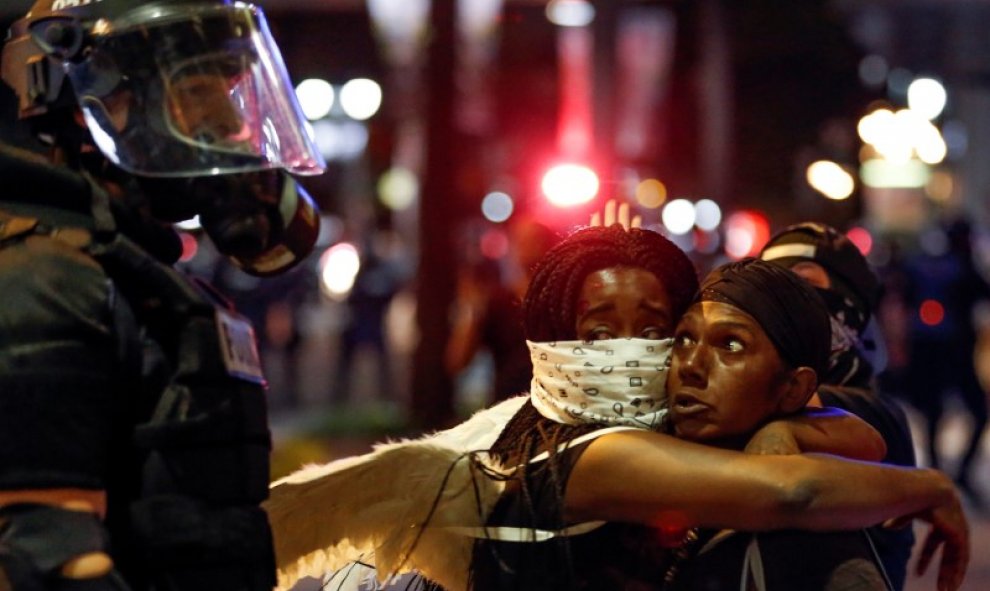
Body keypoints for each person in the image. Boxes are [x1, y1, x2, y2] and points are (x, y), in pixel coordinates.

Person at [265, 225, 968, 591]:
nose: (632, 353)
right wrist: (932, 486)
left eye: (656, 328)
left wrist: (789, 425)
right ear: (555, 341)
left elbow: (860, 431)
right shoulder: (586, 453)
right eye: (599, 332)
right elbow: (799, 490)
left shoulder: (658, 425)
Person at [0, 0, 324, 589]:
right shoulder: (45, 285)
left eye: (230, 90)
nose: (229, 123)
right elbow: (45, 562)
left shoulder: (118, 271)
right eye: (196, 88)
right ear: (89, 98)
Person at [663, 257, 892, 590]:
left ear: (793, 389)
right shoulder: (645, 467)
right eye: (683, 339)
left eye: (730, 344)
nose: (691, 366)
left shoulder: (815, 551)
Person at [760, 222, 918, 589]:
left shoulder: (875, 414)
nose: (785, 301)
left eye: (805, 284)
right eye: (770, 288)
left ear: (852, 306)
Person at [901, 218, 990, 503]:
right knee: (975, 412)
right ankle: (954, 473)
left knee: (933, 413)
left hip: (927, 350)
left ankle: (938, 473)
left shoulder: (921, 266)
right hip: (955, 352)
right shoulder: (964, 269)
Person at [445, 217, 559, 402]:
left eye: (534, 240)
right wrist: (470, 310)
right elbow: (458, 362)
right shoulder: (498, 302)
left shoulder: (562, 302)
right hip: (508, 407)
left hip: (554, 405)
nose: (526, 246)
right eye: (519, 240)